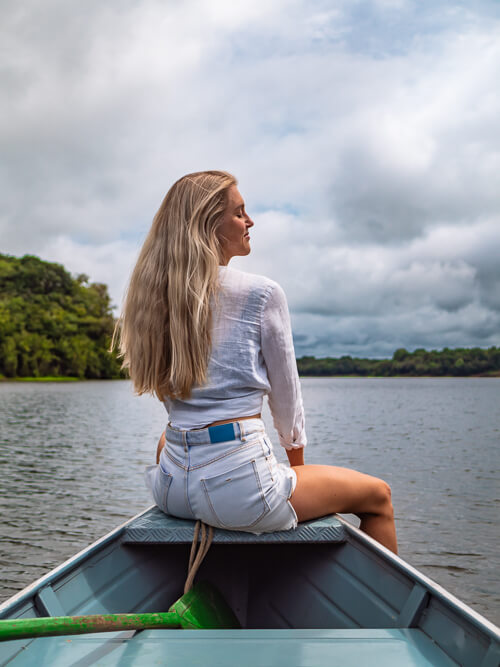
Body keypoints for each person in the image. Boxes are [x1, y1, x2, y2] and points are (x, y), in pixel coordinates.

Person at [115, 170, 397, 553]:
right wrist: (297, 472)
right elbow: (287, 402)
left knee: (170, 433)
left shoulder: (154, 299)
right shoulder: (261, 293)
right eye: (239, 212)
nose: (250, 222)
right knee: (378, 497)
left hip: (171, 490)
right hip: (240, 492)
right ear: (209, 225)